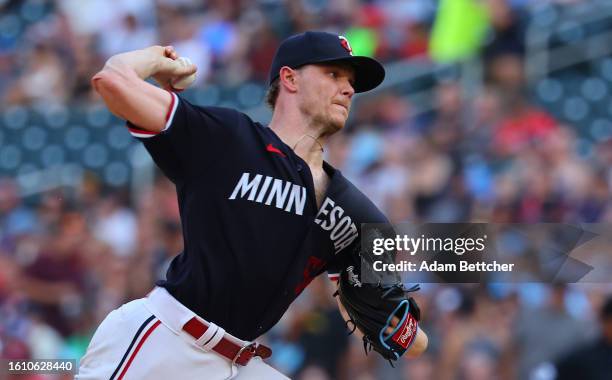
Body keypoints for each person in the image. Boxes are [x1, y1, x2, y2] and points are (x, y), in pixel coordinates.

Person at [78, 31, 427, 380]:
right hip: (168, 341)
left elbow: (391, 329)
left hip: (240, 362)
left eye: (351, 82)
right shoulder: (228, 140)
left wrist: (403, 329)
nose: (349, 89)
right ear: (289, 78)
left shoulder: (356, 214)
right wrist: (156, 57)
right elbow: (112, 80)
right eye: (333, 74)